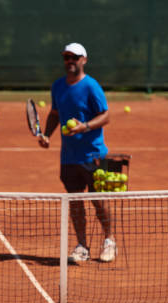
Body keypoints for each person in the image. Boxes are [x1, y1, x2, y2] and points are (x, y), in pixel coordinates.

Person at [38, 42, 116, 263]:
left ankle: (109, 241)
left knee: (98, 200)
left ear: (84, 60)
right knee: (75, 202)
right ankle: (82, 246)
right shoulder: (58, 86)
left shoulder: (92, 86)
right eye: (66, 57)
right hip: (69, 157)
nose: (70, 61)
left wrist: (85, 127)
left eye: (74, 57)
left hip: (94, 155)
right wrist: (47, 134)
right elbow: (54, 113)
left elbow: (106, 116)